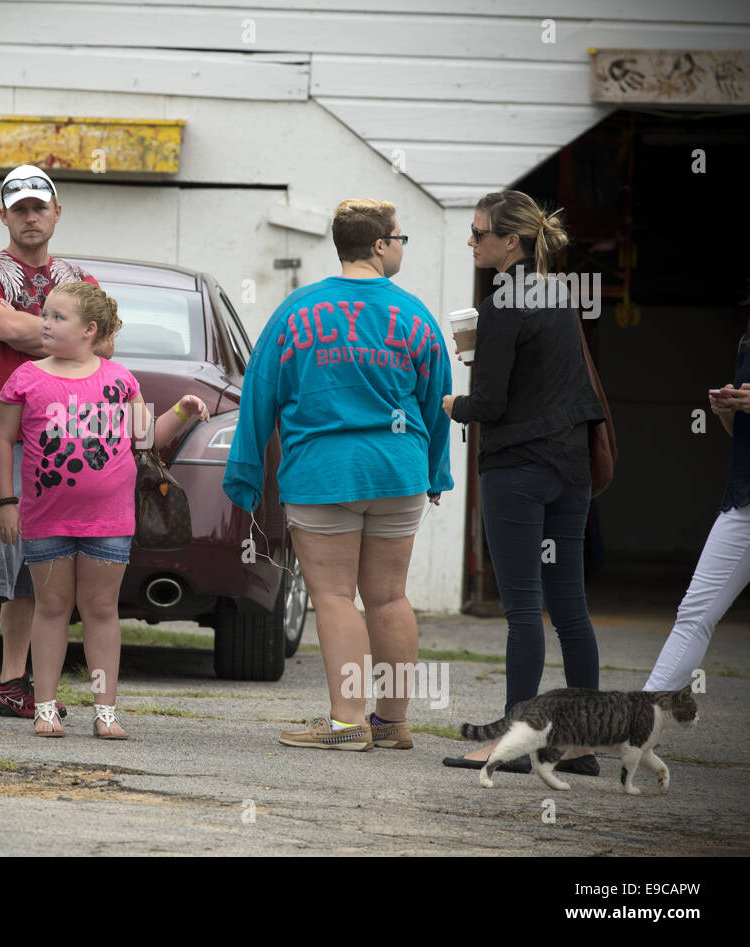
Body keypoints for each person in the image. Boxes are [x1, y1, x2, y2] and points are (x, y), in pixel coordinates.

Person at [224, 198, 453, 751]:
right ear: (378, 245)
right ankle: (391, 722)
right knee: (390, 598)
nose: (402, 248)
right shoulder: (415, 315)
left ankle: (347, 722)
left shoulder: (295, 311)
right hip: (399, 472)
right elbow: (437, 399)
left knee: (332, 596)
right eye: (399, 238)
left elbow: (259, 394)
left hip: (323, 474)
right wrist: (436, 472)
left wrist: (246, 473)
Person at [0, 282, 207, 737]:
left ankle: (105, 709)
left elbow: (144, 439)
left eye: (57, 318)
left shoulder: (119, 379)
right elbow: (3, 442)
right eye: (44, 315)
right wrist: (5, 503)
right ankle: (45, 705)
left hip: (109, 520)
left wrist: (183, 412)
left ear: (90, 330)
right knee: (50, 609)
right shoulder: (26, 377)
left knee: (101, 611)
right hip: (44, 517)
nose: (44, 324)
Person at [441, 190, 605, 775]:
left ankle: (514, 743)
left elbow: (491, 401)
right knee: (570, 609)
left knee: (521, 611)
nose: (471, 241)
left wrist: (452, 402)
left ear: (511, 241)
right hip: (571, 471)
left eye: (479, 233)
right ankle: (581, 744)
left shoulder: (504, 303)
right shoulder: (559, 296)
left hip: (519, 470)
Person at [0, 165, 101, 721]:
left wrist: (54, 335)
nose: (31, 217)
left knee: (37, 562)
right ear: (3, 215)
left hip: (58, 438)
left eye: (41, 207)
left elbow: (103, 340)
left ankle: (11, 683)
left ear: (57, 213)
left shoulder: (80, 276)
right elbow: (3, 327)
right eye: (20, 208)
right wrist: (67, 336)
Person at [644, 327, 750, 691]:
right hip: (743, 499)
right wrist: (727, 411)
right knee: (694, 613)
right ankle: (638, 725)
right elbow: (741, 433)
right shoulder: (746, 340)